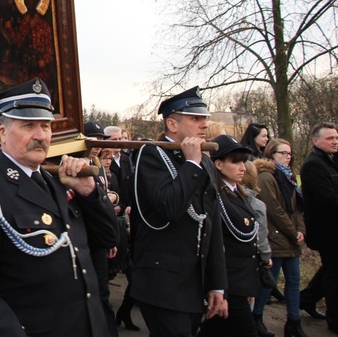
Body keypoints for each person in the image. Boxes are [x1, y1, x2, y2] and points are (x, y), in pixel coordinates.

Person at [0, 78, 118, 336]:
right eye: (28, 125)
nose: (41, 135)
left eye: (46, 126)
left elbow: (107, 237)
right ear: (2, 132)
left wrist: (90, 193)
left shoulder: (58, 183)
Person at [130, 86, 227, 337]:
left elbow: (211, 224)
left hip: (194, 283)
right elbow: (169, 208)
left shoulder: (204, 160)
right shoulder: (152, 155)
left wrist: (217, 284)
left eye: (204, 118)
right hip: (163, 283)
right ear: (173, 124)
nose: (204, 124)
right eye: (196, 119)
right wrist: (192, 163)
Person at [199, 135, 260, 337]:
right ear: (218, 164)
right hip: (229, 284)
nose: (242, 167)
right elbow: (217, 247)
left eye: (244, 162)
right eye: (235, 162)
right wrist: (220, 291)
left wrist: (249, 285)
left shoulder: (237, 193)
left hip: (241, 282)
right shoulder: (216, 196)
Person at [252, 138, 307, 337]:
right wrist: (293, 232)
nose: (287, 157)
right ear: (271, 154)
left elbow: (297, 207)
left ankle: (294, 321)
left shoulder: (291, 177)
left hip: (290, 238)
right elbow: (274, 210)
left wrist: (301, 229)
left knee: (294, 280)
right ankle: (256, 317)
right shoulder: (267, 177)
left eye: (289, 153)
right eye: (282, 153)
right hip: (275, 237)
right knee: (269, 281)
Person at [299, 122, 338, 333]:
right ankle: (334, 319)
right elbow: (327, 200)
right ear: (316, 141)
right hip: (327, 231)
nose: (335, 141)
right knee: (334, 274)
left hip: (332, 228)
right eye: (330, 138)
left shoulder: (331, 160)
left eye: (336, 138)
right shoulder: (314, 164)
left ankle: (306, 298)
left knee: (331, 269)